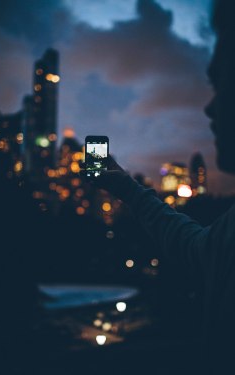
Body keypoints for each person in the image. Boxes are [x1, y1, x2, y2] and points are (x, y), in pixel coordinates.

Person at [95, 0, 235, 373]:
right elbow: (193, 247)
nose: (208, 109)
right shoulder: (229, 232)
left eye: (220, 83)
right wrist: (126, 188)